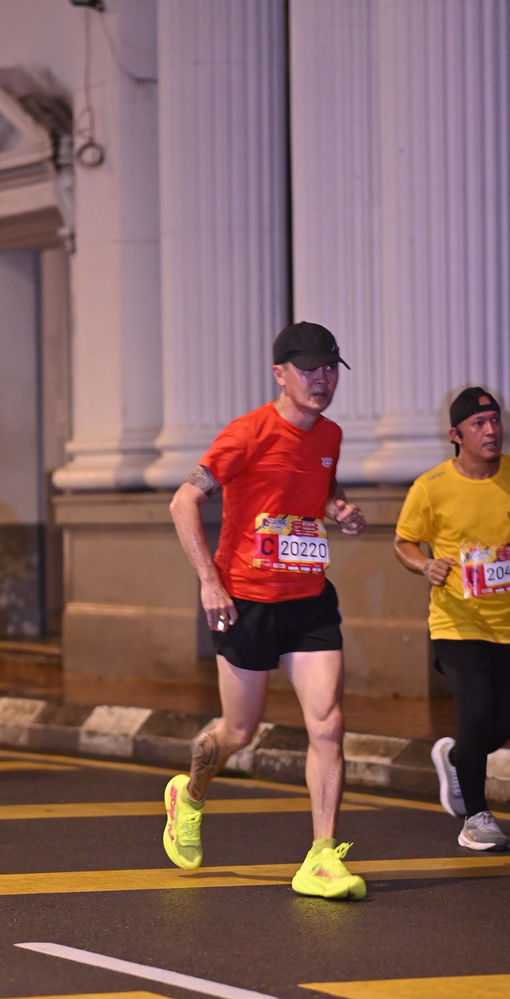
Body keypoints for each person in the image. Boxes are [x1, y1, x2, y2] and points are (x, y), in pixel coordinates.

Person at [164, 322, 367, 900]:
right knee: (239, 730)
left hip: (308, 600)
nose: (321, 379)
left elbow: (317, 487)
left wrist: (339, 508)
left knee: (328, 724)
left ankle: (321, 856)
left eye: (329, 369)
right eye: (308, 369)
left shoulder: (330, 434)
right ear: (280, 373)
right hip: (245, 601)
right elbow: (183, 501)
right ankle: (188, 795)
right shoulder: (247, 433)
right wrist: (210, 583)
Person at [394, 387, 510, 852]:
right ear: (456, 435)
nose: (491, 430)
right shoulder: (432, 486)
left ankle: (458, 757)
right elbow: (404, 541)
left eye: (495, 420)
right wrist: (425, 565)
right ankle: (476, 818)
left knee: (498, 724)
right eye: (478, 424)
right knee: (477, 711)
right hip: (457, 622)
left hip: (507, 622)